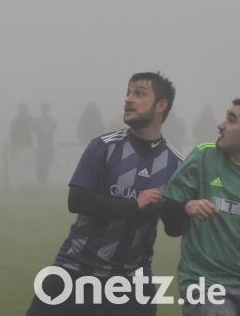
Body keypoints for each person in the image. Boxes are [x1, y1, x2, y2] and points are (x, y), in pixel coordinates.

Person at [26, 72, 183, 315]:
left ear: (161, 105)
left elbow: (174, 229)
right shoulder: (104, 146)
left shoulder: (175, 164)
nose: (129, 99)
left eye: (139, 93)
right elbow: (77, 200)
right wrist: (135, 204)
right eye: (128, 92)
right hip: (76, 271)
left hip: (130, 282)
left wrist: (183, 209)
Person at [162, 99, 240, 315]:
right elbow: (169, 218)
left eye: (231, 120)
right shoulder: (204, 156)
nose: (221, 124)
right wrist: (187, 206)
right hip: (207, 286)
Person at [34, 102, 57, 186]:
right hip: (40, 145)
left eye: (47, 109)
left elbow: (55, 128)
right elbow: (36, 131)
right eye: (44, 108)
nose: (46, 110)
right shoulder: (38, 120)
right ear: (42, 109)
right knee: (40, 162)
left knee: (47, 162)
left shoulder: (51, 120)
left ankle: (44, 179)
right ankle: (39, 179)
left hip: (49, 145)